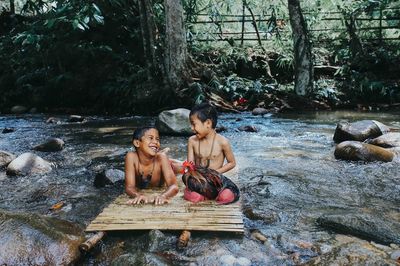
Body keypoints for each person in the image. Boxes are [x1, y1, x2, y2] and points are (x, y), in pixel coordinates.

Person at [182, 102, 240, 204]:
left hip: (216, 179)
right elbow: (190, 165)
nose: (191, 128)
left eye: (194, 124)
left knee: (227, 197)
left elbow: (232, 163)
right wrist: (189, 174)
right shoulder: (192, 141)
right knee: (195, 197)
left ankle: (212, 196)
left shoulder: (223, 142)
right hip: (200, 181)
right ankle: (202, 195)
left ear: (208, 123)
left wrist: (216, 173)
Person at [125, 127, 178, 205]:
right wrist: (138, 195)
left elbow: (174, 186)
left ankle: (174, 162)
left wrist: (164, 196)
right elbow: (129, 187)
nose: (156, 142)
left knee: (182, 167)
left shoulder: (161, 158)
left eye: (157, 139)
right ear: (137, 143)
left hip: (165, 164)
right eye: (151, 138)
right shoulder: (131, 157)